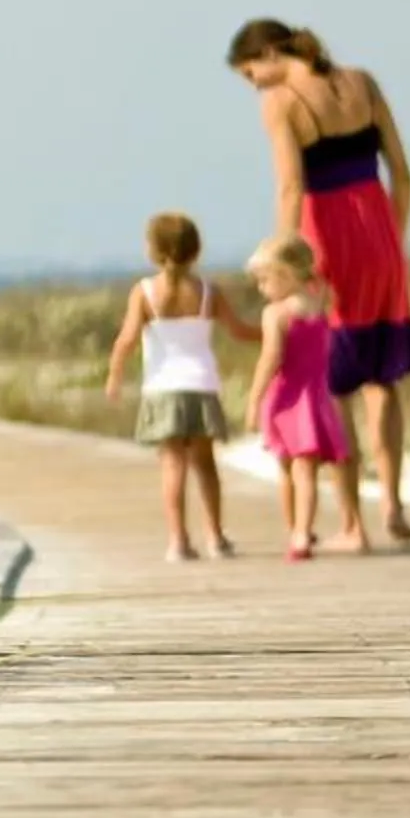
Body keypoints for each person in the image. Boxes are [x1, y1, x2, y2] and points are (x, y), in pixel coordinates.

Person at [226, 19, 410, 543]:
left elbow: (291, 188)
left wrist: (283, 261)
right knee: (383, 379)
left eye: (253, 74)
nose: (256, 87)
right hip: (380, 234)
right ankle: (393, 505)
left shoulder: (282, 102)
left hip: (325, 241)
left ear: (270, 53)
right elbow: (402, 175)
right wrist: (392, 240)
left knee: (332, 381)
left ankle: (352, 522)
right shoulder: (363, 82)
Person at [105, 212, 257, 563]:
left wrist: (114, 374)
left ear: (152, 251)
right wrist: (273, 333)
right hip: (201, 386)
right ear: (196, 250)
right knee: (205, 465)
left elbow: (127, 338)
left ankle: (178, 541)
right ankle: (216, 537)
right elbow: (238, 330)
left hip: (162, 389)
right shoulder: (208, 292)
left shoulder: (144, 292)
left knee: (172, 465)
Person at [245, 234, 367, 560]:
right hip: (318, 397)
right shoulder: (319, 304)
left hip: (288, 398)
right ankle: (302, 529)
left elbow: (271, 358)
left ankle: (298, 533)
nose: (261, 288)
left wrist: (254, 398)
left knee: (290, 469)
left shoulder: (276, 313)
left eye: (265, 280)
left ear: (285, 275)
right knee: (307, 469)